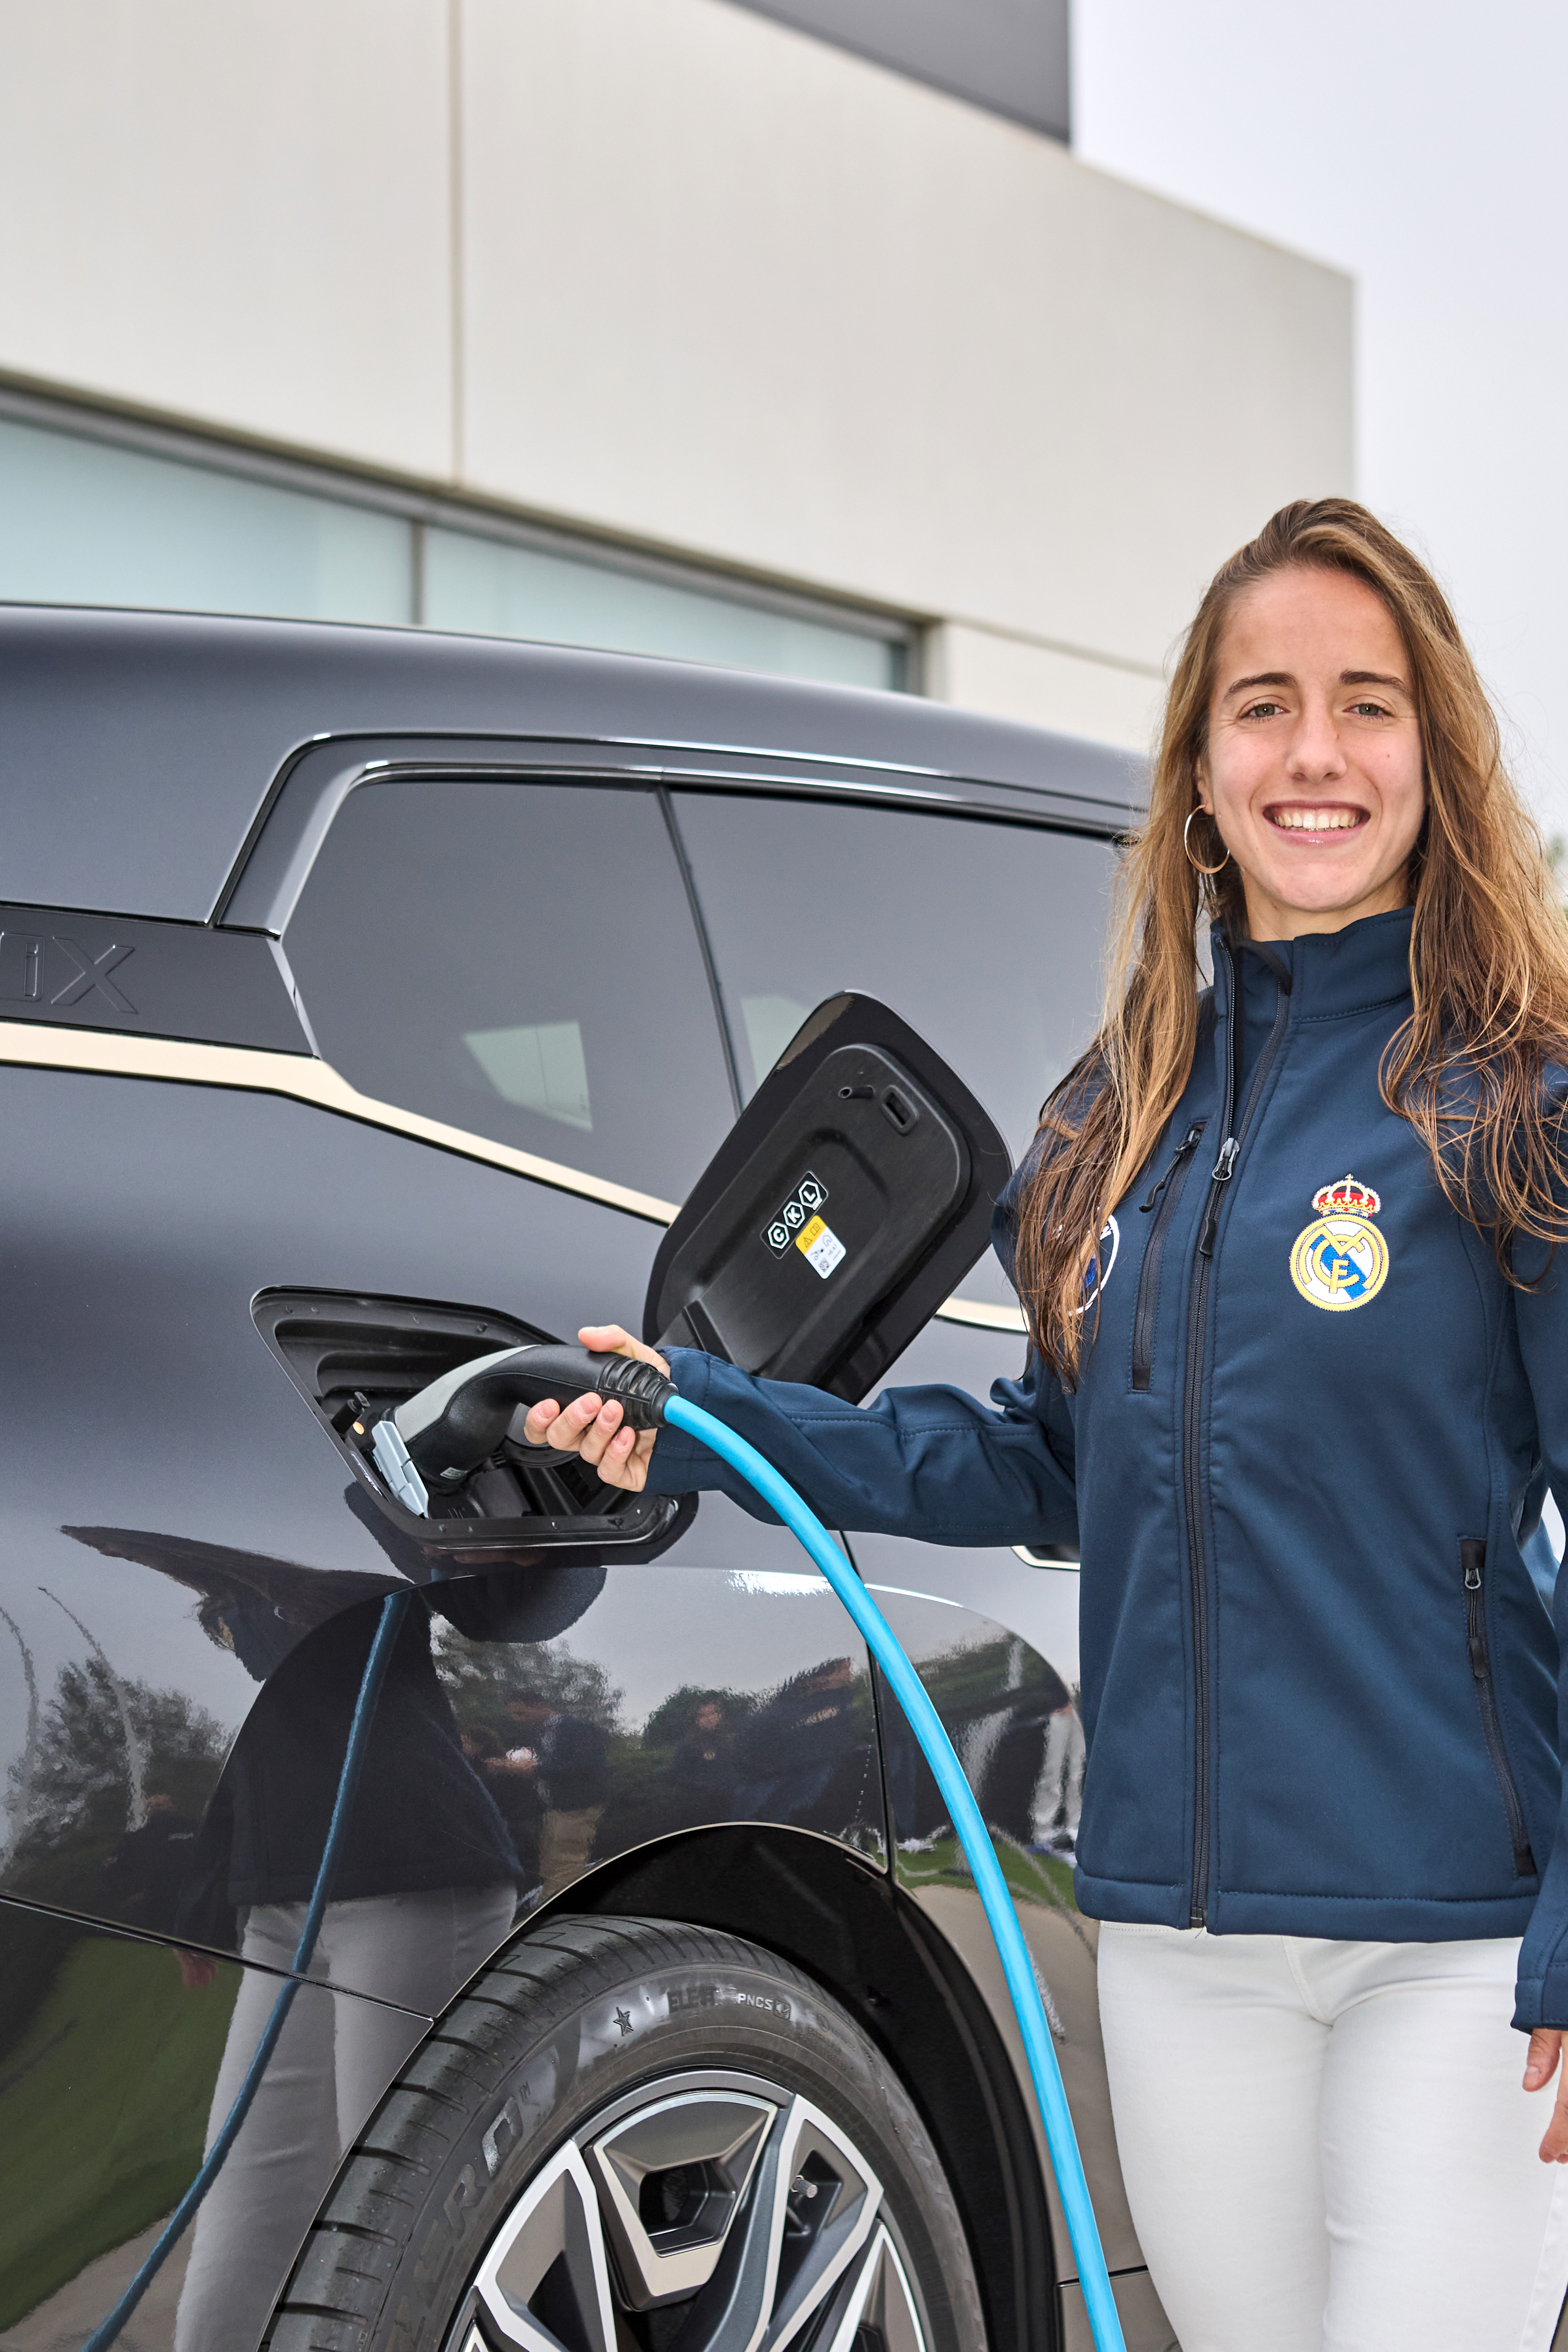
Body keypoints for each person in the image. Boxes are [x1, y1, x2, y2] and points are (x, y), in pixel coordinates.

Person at [523, 500, 1568, 2351]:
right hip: (1177, 1943)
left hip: (1459, 1935)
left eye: (1365, 701)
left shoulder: (1514, 1106)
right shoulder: (1113, 1117)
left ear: (1432, 754)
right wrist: (711, 1424)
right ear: (1197, 771)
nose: (1312, 752)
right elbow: (1047, 1461)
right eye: (1260, 704)